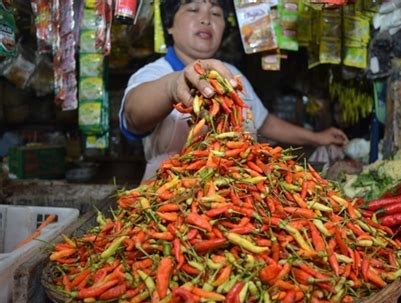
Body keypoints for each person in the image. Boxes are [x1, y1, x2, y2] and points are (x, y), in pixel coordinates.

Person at [120, 0, 348, 182]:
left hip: (233, 197)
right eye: (193, 9)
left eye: (216, 13)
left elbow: (264, 122)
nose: (206, 20)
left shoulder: (231, 74)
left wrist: (316, 137)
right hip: (169, 196)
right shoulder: (154, 74)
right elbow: (133, 115)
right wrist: (174, 84)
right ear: (169, 25)